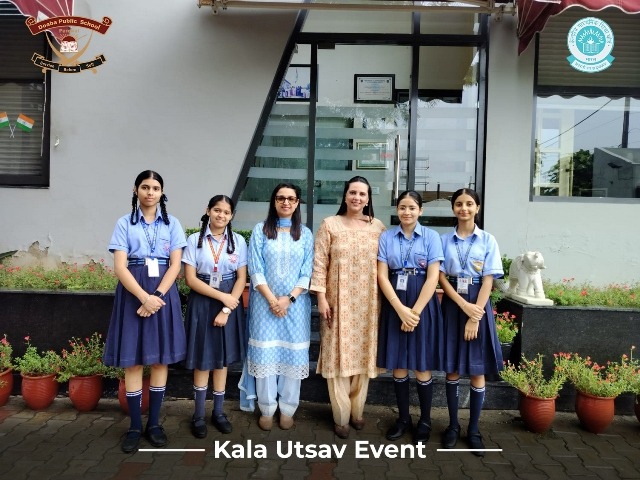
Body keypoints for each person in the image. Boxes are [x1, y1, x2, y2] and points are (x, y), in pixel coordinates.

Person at [103, 170, 187, 454]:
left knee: (161, 361)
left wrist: (157, 296)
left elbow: (175, 265)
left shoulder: (172, 223)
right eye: (145, 187)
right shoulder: (124, 223)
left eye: (155, 188)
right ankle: (135, 426)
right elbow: (120, 267)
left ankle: (154, 424)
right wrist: (143, 297)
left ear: (162, 192)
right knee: (134, 363)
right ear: (136, 190)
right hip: (133, 295)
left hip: (163, 294)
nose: (150, 192)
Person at [310, 176, 386, 439]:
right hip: (336, 303)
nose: (357, 198)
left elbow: (385, 266)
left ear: (368, 199)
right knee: (337, 356)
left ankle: (357, 411)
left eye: (362, 194)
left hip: (369, 304)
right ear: (345, 195)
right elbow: (319, 263)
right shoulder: (329, 224)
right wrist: (321, 298)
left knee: (363, 356)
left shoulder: (378, 227)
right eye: (353, 192)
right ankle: (341, 415)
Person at [438, 188, 504, 456]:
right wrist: (461, 304)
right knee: (452, 369)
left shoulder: (488, 240)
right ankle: (453, 426)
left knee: (477, 370)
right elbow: (440, 276)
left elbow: (488, 280)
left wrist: (474, 315)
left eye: (469, 204)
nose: (463, 208)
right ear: (453, 208)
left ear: (477, 208)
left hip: (479, 302)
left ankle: (474, 429)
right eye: (458, 204)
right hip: (453, 303)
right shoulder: (444, 240)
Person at [377, 190, 444, 445]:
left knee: (421, 364)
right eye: (402, 207)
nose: (407, 212)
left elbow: (433, 277)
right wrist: (400, 309)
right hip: (395, 299)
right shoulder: (386, 236)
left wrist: (414, 312)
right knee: (399, 363)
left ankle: (425, 421)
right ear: (397, 210)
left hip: (422, 302)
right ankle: (403, 419)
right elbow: (382, 275)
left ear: (420, 211)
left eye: (412, 208)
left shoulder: (431, 237)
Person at [245, 183, 314, 431]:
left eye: (291, 199)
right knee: (265, 355)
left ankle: (287, 408)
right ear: (274, 201)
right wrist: (273, 300)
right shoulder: (260, 230)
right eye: (281, 198)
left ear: (297, 203)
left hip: (296, 306)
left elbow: (307, 270)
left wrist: (289, 299)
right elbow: (255, 267)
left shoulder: (305, 234)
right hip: (264, 305)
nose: (286, 202)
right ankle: (266, 408)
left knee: (292, 357)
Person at [182, 195, 247, 438]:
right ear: (208, 210)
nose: (221, 215)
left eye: (226, 212)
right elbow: (190, 279)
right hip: (203, 300)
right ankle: (198, 414)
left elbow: (241, 278)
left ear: (231, 216)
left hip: (229, 302)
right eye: (217, 210)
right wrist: (222, 298)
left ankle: (218, 412)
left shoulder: (238, 241)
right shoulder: (194, 240)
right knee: (203, 358)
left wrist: (227, 308)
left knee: (222, 360)